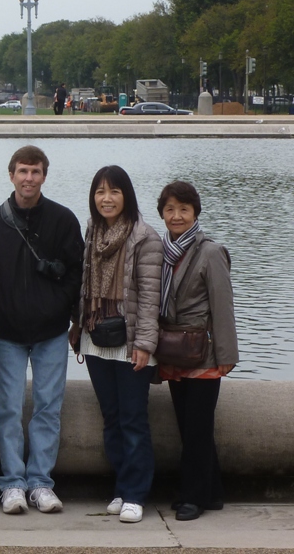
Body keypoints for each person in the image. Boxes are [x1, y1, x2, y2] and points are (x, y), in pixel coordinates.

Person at [0, 145, 83, 515]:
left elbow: (76, 273)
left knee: (48, 407)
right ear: (11, 175)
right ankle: (12, 484)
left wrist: (61, 309)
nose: (28, 178)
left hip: (52, 331)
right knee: (6, 407)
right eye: (22, 171)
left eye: (35, 171)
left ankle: (40, 482)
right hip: (7, 330)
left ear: (44, 176)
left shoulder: (63, 219)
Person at [68, 165, 161, 524]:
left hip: (131, 340)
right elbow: (84, 286)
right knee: (112, 417)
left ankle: (136, 493)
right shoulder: (92, 232)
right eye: (100, 192)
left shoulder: (144, 237)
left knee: (134, 419)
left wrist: (145, 344)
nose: (106, 199)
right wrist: (77, 325)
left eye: (114, 192)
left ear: (127, 196)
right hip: (96, 337)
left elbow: (151, 298)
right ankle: (122, 487)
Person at [156, 181, 238, 522]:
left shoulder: (210, 251)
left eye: (184, 210)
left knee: (197, 430)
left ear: (195, 214)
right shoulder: (161, 250)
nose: (176, 216)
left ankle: (192, 497)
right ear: (162, 213)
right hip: (175, 352)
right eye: (170, 209)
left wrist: (226, 355)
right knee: (188, 425)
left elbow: (223, 307)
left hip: (202, 354)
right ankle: (213, 492)